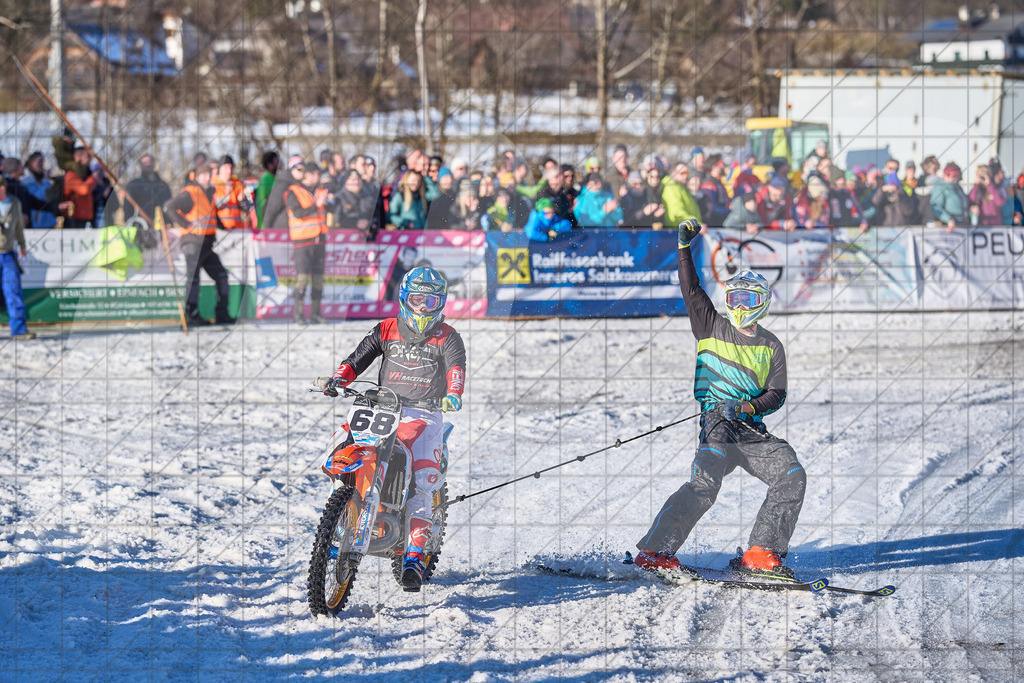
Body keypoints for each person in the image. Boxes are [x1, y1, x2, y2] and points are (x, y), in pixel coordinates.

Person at [634, 218, 804, 578]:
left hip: (750, 430)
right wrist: (684, 248)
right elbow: (691, 287)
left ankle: (761, 553)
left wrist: (747, 406)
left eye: (749, 299)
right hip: (716, 426)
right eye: (735, 298)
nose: (741, 305)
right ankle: (654, 552)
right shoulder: (710, 325)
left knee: (791, 474)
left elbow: (777, 394)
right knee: (704, 487)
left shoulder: (771, 345)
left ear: (762, 303)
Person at [314, 266, 466, 591]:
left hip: (425, 415)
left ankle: (414, 554)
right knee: (344, 445)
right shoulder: (386, 328)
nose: (423, 308)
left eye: (430, 301)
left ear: (441, 303)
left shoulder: (448, 336)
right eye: (417, 299)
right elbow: (357, 359)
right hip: (382, 406)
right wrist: (339, 379)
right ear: (404, 299)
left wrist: (454, 394)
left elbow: (456, 369)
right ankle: (343, 509)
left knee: (424, 480)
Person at [163, 162, 233, 326]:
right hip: (193, 242)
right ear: (197, 176)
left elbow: (212, 215)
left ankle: (222, 313)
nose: (206, 178)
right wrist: (186, 224)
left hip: (207, 243)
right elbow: (169, 207)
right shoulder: (191, 193)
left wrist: (225, 227)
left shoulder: (210, 193)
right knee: (193, 279)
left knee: (222, 276)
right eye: (203, 175)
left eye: (208, 174)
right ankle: (191, 315)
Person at [285, 160, 330, 324]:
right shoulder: (293, 192)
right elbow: (298, 213)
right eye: (317, 173)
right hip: (303, 241)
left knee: (318, 279)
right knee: (302, 279)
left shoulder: (320, 191)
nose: (319, 177)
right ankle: (298, 315)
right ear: (309, 174)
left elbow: (332, 208)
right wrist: (316, 205)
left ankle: (316, 314)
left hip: (320, 240)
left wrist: (329, 201)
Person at [0, 182, 34, 339]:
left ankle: (19, 329)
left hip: (8, 254)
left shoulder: (14, 203)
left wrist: (22, 244)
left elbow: (19, 226)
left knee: (13, 292)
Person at [50, 135, 97, 229]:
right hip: (74, 220)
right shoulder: (71, 175)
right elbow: (84, 189)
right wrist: (94, 177)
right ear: (78, 156)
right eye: (87, 156)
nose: (90, 159)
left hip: (86, 218)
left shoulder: (87, 174)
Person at [124, 153, 172, 223]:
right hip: (140, 226)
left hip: (162, 226)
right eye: (144, 162)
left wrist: (169, 222)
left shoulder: (163, 186)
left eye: (149, 162)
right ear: (140, 166)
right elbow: (127, 208)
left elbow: (168, 205)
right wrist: (130, 223)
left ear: (154, 164)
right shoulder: (133, 185)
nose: (147, 164)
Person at [263, 155, 306, 229]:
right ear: (292, 169)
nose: (302, 172)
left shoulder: (302, 185)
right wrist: (268, 228)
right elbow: (271, 208)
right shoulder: (283, 184)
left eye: (304, 169)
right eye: (299, 169)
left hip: (298, 231)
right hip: (281, 230)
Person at [212, 155, 252, 230]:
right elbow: (212, 207)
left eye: (231, 168)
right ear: (220, 168)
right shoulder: (213, 183)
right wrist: (225, 198)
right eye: (226, 168)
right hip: (220, 229)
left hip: (237, 228)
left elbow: (248, 209)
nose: (229, 171)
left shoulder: (238, 183)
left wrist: (242, 200)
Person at [20, 152, 58, 229]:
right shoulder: (26, 182)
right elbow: (37, 198)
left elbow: (50, 197)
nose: (41, 164)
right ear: (31, 163)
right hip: (35, 222)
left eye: (42, 161)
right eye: (39, 161)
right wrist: (45, 181)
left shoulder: (45, 181)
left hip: (48, 222)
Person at [930, 163, 970, 231]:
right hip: (949, 226)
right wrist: (948, 220)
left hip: (962, 223)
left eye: (955, 175)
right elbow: (936, 207)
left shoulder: (958, 188)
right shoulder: (940, 187)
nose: (952, 178)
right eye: (949, 175)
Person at [255, 151, 280, 229]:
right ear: (270, 165)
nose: (278, 164)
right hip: (266, 225)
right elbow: (263, 203)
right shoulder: (265, 180)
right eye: (276, 162)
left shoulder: (275, 178)